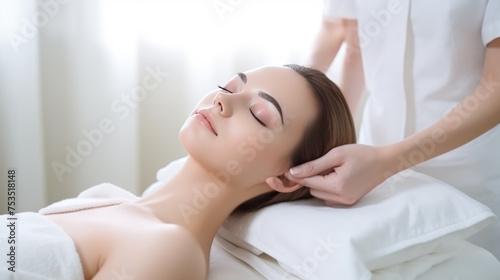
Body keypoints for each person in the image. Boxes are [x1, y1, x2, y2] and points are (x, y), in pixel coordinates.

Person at [0, 64, 356, 280]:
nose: (222, 100)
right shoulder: (105, 199)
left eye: (259, 113)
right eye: (230, 87)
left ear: (285, 176)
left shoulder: (170, 249)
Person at [286, 0, 500, 259]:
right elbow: (349, 39)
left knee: (468, 263)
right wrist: (303, 128)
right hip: (369, 162)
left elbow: (495, 90)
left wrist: (385, 162)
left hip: (462, 169)